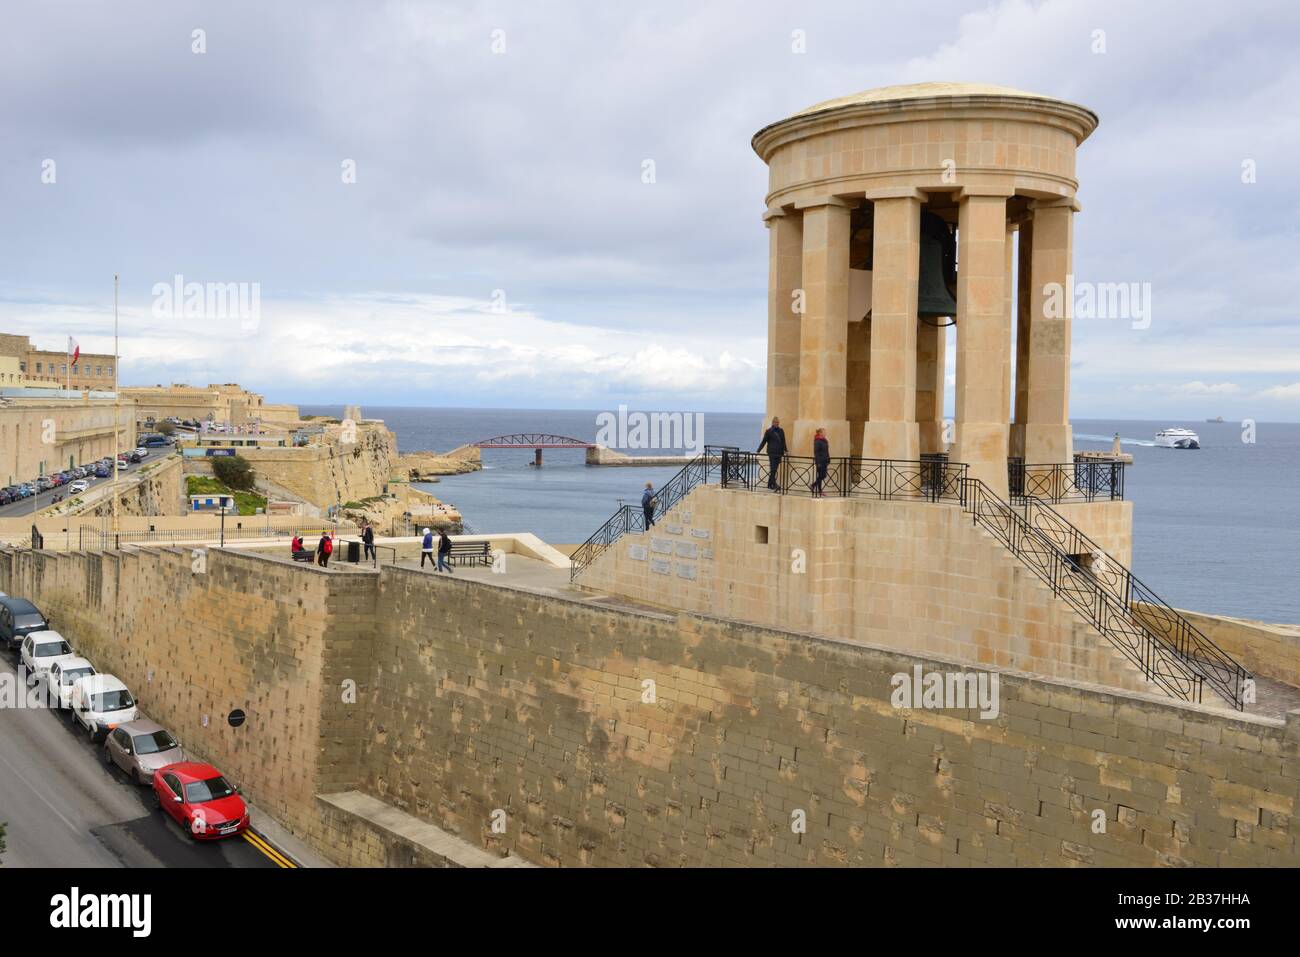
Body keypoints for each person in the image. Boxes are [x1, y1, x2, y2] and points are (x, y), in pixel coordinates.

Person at [756, 416, 787, 491]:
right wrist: (758, 450)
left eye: (778, 422)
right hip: (772, 453)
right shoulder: (769, 431)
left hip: (779, 453)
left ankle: (769, 484)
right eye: (776, 422)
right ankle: (775, 484)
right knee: (773, 468)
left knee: (774, 469)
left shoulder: (781, 431)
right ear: (773, 423)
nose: (777, 424)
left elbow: (783, 441)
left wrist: (786, 450)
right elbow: (764, 441)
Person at [811, 427, 830, 498]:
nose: (825, 433)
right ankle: (814, 486)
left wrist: (828, 458)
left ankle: (818, 489)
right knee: (822, 475)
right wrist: (818, 462)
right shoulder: (817, 441)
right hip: (820, 461)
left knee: (821, 476)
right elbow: (816, 453)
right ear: (820, 433)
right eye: (824, 432)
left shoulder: (824, 441)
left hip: (825, 460)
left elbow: (826, 451)